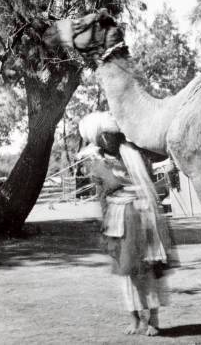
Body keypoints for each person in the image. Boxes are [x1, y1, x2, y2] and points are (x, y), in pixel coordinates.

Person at [78, 111, 172, 336]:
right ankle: (134, 319)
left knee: (147, 269)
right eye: (107, 135)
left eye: (113, 134)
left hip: (143, 216)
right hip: (118, 221)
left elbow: (151, 181)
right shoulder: (97, 164)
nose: (112, 137)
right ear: (100, 138)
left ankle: (153, 320)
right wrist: (106, 228)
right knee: (126, 270)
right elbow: (103, 196)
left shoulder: (135, 154)